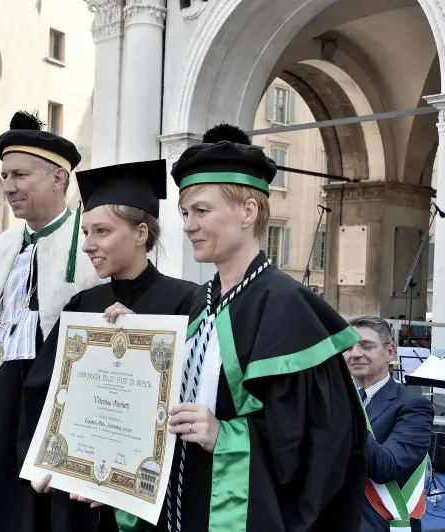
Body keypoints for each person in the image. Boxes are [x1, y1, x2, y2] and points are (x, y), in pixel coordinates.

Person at [69, 124, 368, 531]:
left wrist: (224, 435)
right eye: (186, 213)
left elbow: (318, 446)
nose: (189, 225)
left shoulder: (287, 309)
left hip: (234, 511)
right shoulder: (199, 303)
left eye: (202, 211)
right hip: (181, 501)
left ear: (248, 211)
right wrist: (138, 348)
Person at [0, 110, 104, 532]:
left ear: (58, 179)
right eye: (5, 175)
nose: (8, 186)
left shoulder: (90, 249)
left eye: (19, 175)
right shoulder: (0, 248)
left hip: (52, 418)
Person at [24, 159, 199, 530]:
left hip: (149, 503)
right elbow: (44, 390)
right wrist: (43, 461)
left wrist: (141, 342)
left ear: (140, 233)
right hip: (76, 496)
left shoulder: (187, 304)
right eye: (85, 232)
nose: (87, 245)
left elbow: (194, 397)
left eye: (101, 231)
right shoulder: (84, 307)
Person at [344, 316, 433, 532]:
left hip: (377, 521)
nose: (355, 353)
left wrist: (344, 414)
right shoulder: (343, 398)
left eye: (366, 346)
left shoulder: (414, 406)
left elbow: (387, 467)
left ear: (390, 352)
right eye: (348, 347)